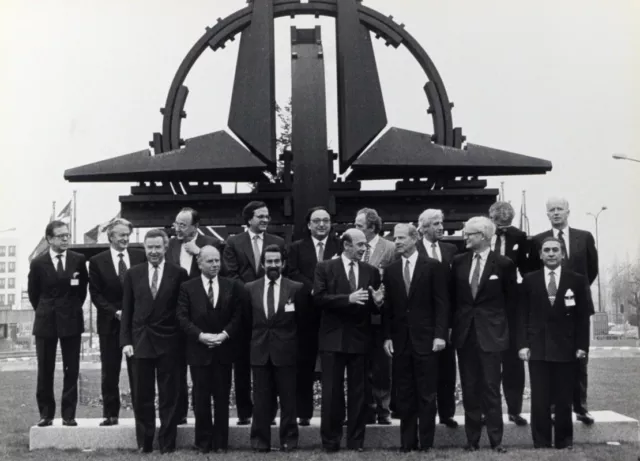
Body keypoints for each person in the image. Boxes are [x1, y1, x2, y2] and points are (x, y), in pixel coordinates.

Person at [313, 228, 385, 452]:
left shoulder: (371, 271)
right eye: (360, 245)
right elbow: (318, 299)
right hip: (332, 338)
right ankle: (331, 442)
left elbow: (371, 305)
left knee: (359, 393)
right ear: (346, 245)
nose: (364, 249)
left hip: (360, 338)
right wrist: (348, 299)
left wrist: (378, 303)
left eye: (365, 245)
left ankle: (356, 442)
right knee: (332, 393)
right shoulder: (325, 267)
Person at [450, 217, 517, 453]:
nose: (464, 237)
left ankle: (496, 441)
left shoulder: (504, 264)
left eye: (469, 234)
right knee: (469, 388)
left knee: (490, 388)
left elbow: (511, 302)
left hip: (492, 335)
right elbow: (454, 299)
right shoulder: (458, 262)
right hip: (465, 334)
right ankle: (472, 440)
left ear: (484, 236)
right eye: (465, 233)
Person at [530, 196, 598, 425]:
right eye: (552, 210)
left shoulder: (584, 237)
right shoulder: (539, 240)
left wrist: (573, 291)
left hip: (576, 308)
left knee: (579, 357)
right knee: (549, 359)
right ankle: (551, 409)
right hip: (547, 311)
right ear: (547, 214)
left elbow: (592, 269)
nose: (556, 213)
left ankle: (581, 407)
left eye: (560, 209)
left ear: (568, 211)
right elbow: (534, 273)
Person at [120, 229, 189, 454]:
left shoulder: (178, 273)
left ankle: (167, 443)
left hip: (169, 343)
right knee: (142, 396)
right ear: (144, 248)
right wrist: (126, 341)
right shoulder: (133, 274)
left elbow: (182, 311)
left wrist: (180, 342)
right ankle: (145, 443)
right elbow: (128, 311)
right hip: (140, 343)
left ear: (165, 248)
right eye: (149, 247)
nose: (153, 252)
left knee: (169, 396)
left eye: (158, 247)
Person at [518, 237, 590, 449]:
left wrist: (581, 346)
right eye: (546, 250)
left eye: (555, 250)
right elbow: (522, 315)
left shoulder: (576, 280)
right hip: (537, 348)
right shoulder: (529, 280)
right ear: (540, 254)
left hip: (566, 349)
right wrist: (522, 344)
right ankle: (540, 441)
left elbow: (582, 317)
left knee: (564, 398)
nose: (551, 254)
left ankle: (563, 440)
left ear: (563, 254)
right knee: (539, 399)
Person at [382, 223, 449, 452]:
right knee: (404, 394)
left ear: (414, 238)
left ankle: (427, 443)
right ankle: (407, 443)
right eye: (395, 238)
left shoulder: (432, 266)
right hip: (401, 342)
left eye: (401, 238)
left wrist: (440, 335)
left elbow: (442, 304)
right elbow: (389, 309)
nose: (397, 242)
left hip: (427, 341)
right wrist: (388, 337)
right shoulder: (391, 270)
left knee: (427, 394)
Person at [222, 201, 284, 425]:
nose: (265, 220)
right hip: (243, 311)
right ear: (249, 219)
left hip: (271, 313)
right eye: (260, 216)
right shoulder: (233, 242)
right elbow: (230, 274)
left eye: (267, 216)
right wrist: (252, 294)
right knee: (241, 364)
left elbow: (280, 273)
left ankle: (268, 413)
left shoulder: (278, 242)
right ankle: (244, 413)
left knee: (270, 363)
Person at [176, 245, 243, 454]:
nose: (215, 265)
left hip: (224, 349)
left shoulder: (232, 285)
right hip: (199, 350)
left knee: (222, 397)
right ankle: (203, 442)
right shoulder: (188, 287)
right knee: (201, 397)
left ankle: (221, 442)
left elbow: (238, 315)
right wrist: (200, 335)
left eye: (217, 261)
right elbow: (182, 317)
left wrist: (224, 335)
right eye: (209, 261)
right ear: (199, 263)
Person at [28, 220, 88, 427]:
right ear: (49, 239)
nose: (65, 239)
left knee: (71, 369)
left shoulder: (78, 260)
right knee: (45, 369)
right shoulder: (37, 263)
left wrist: (69, 309)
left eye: (67, 235)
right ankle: (46, 414)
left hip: (71, 321)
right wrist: (47, 311)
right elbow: (34, 294)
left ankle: (68, 414)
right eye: (60, 236)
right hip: (46, 322)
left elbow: (82, 292)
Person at [245, 244, 306, 452]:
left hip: (287, 352)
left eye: (277, 261)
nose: (273, 265)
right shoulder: (250, 288)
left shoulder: (295, 288)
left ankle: (289, 440)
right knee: (261, 401)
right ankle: (260, 442)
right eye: (269, 261)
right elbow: (246, 322)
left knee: (288, 400)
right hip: (259, 352)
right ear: (262, 264)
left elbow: (303, 323)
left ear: (283, 263)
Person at [167, 207, 224, 425]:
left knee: (203, 371)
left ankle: (204, 417)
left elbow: (220, 271)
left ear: (195, 226)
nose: (177, 228)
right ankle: (180, 412)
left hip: (202, 319)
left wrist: (198, 252)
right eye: (176, 223)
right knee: (176, 366)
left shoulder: (211, 243)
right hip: (176, 316)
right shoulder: (171, 244)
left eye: (182, 225)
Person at [89, 218, 145, 426]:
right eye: (121, 235)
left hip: (136, 324)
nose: (125, 238)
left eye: (127, 234)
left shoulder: (140, 256)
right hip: (110, 324)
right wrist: (115, 312)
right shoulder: (97, 261)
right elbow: (95, 294)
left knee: (138, 370)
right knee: (110, 370)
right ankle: (110, 414)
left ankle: (141, 415)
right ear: (111, 236)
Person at [286, 206, 340, 426]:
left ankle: (334, 413)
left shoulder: (339, 246)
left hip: (333, 313)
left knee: (334, 367)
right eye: (317, 220)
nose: (321, 225)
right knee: (304, 364)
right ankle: (304, 413)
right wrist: (315, 288)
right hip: (306, 314)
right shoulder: (296, 248)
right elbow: (292, 272)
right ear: (308, 224)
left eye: (325, 220)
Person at [488, 201, 530, 426]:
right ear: (491, 219)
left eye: (506, 222)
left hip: (513, 307)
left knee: (513, 363)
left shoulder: (521, 238)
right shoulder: (483, 237)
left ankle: (514, 410)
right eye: (498, 221)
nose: (502, 225)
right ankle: (488, 411)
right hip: (488, 306)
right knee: (489, 363)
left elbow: (528, 270)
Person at [417, 209, 459, 429]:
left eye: (441, 223)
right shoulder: (414, 250)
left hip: (447, 319)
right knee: (424, 370)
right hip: (421, 320)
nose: (440, 227)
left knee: (447, 369)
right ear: (423, 227)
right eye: (435, 224)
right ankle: (424, 415)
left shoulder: (451, 250)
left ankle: (447, 413)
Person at [354, 208, 395, 425]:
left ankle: (383, 409)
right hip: (358, 315)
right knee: (361, 365)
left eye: (359, 226)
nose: (356, 229)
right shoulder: (353, 247)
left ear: (371, 227)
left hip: (381, 314)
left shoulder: (389, 248)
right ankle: (365, 409)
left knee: (382, 366)